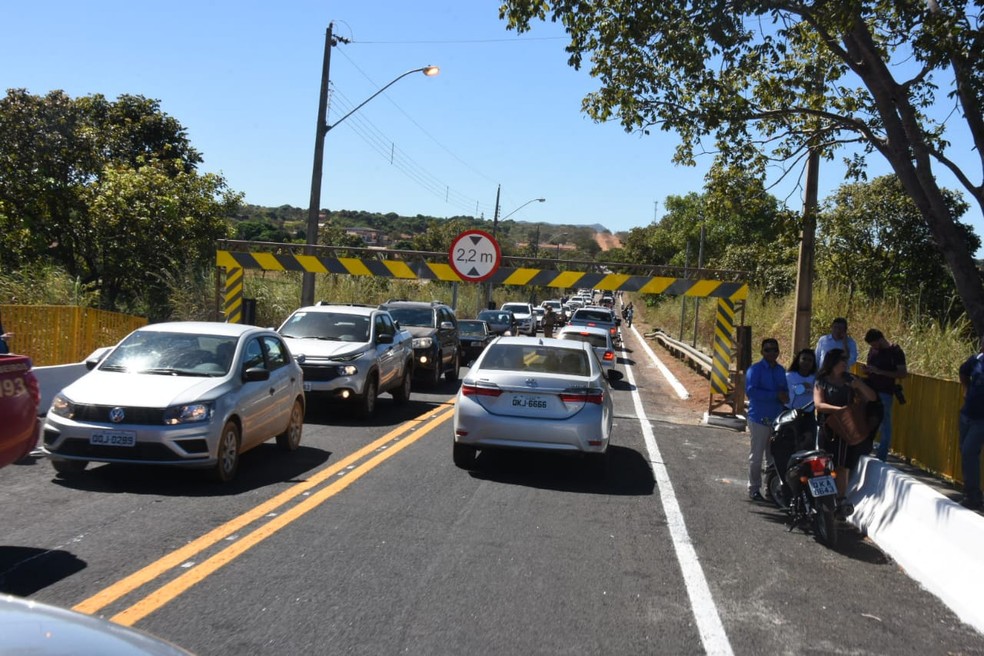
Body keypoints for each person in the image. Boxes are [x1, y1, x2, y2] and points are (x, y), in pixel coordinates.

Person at [813, 348, 877, 519]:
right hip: (828, 427)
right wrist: (839, 411)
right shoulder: (822, 381)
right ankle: (819, 499)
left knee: (842, 466)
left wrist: (859, 385)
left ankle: (840, 500)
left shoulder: (850, 380)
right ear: (833, 362)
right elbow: (819, 405)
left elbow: (871, 398)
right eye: (842, 360)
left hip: (845, 430)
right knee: (822, 463)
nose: (845, 364)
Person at [745, 338, 789, 501]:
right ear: (762, 352)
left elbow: (784, 389)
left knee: (773, 458)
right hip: (758, 418)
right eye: (768, 350)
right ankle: (753, 488)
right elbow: (751, 392)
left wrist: (784, 396)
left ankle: (770, 489)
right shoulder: (755, 370)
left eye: (774, 350)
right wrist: (774, 395)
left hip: (776, 419)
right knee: (756, 457)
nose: (771, 353)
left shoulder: (780, 370)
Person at [862, 328, 908, 461]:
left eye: (874, 344)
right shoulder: (873, 351)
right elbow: (872, 367)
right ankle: (865, 449)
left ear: (880, 339)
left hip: (885, 391)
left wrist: (880, 372)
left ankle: (882, 455)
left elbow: (902, 373)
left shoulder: (895, 351)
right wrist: (868, 370)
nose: (873, 347)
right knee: (867, 419)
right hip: (870, 389)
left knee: (885, 423)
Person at [957, 336, 984, 511]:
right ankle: (969, 492)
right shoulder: (977, 359)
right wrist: (966, 388)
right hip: (967, 413)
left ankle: (974, 495)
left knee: (969, 452)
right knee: (965, 452)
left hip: (982, 419)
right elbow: (963, 371)